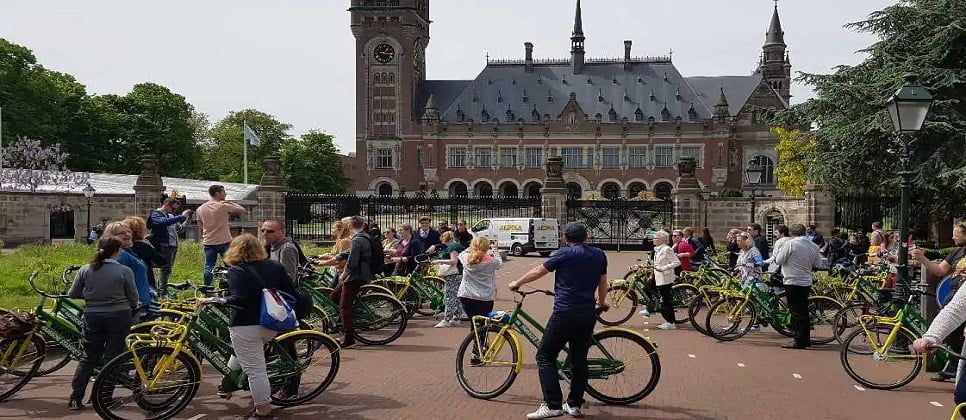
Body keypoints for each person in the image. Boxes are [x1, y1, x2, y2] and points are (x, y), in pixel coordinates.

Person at [508, 223, 608, 419]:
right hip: (587, 313)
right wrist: (602, 302)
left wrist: (517, 283)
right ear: (586, 237)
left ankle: (553, 405)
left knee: (545, 356)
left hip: (565, 312)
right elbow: (603, 281)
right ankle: (574, 404)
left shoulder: (564, 253)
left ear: (565, 239)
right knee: (579, 358)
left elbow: (539, 270)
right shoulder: (599, 254)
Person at [197, 233, 295, 419]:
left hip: (246, 324)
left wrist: (217, 300)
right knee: (243, 353)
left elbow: (239, 299)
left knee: (255, 371)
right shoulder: (275, 266)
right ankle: (228, 383)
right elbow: (290, 291)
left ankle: (263, 410)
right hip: (272, 322)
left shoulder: (237, 270)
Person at [67, 237, 139, 411]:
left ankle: (76, 398)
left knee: (88, 357)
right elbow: (133, 297)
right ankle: (104, 397)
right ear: (118, 251)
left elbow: (73, 293)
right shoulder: (124, 271)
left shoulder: (85, 269)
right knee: (112, 358)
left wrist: (91, 295)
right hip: (119, 316)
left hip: (93, 316)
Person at [914, 224, 966, 381]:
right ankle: (952, 365)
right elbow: (956, 309)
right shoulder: (957, 252)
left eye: (956, 234)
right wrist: (931, 336)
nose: (953, 237)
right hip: (953, 295)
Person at [772, 224, 824, 349]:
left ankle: (799, 340)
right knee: (803, 310)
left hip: (792, 280)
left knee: (796, 312)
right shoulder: (814, 246)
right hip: (806, 281)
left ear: (791, 233)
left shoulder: (790, 244)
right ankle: (805, 339)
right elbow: (818, 263)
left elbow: (779, 260)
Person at [326, 216, 374, 348]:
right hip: (358, 274)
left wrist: (343, 275)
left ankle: (349, 338)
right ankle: (347, 321)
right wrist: (332, 259)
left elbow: (352, 262)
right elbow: (347, 253)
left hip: (356, 276)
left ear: (350, 226)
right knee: (334, 296)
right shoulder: (362, 237)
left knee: (344, 306)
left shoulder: (358, 240)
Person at [458, 236, 504, 364]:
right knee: (481, 325)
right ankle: (476, 354)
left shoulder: (466, 258)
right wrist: (494, 249)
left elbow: (461, 253)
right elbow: (500, 263)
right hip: (484, 298)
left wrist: (473, 246)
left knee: (475, 324)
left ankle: (480, 348)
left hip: (466, 296)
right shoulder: (491, 262)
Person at [196, 184, 247, 286]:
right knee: (230, 264)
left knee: (209, 266)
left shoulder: (200, 208)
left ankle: (207, 287)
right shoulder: (223, 205)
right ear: (217, 193)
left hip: (209, 242)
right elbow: (242, 210)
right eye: (223, 192)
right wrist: (229, 202)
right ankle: (232, 286)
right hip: (224, 241)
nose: (225, 194)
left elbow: (200, 226)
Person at [102, 221, 154, 320]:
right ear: (111, 237)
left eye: (129, 231)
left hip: (141, 303)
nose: (127, 234)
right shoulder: (121, 256)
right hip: (132, 306)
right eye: (121, 233)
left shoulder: (128, 252)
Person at [147, 198, 192, 297]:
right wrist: (181, 216)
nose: (174, 211)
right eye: (173, 209)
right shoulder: (156, 214)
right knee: (165, 268)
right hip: (164, 245)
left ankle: (163, 289)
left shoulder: (171, 216)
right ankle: (162, 291)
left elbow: (180, 229)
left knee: (168, 269)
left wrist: (187, 219)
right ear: (166, 204)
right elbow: (163, 222)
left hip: (173, 245)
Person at [123, 216, 168, 292]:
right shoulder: (143, 246)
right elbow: (162, 261)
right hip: (144, 281)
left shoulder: (120, 247)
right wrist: (151, 246)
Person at [432, 231, 466, 328]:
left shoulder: (452, 247)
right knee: (457, 296)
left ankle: (447, 319)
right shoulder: (458, 246)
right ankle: (456, 317)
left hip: (453, 274)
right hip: (460, 273)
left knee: (449, 296)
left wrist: (439, 261)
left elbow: (453, 261)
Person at [650, 231, 681, 330]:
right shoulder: (658, 249)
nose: (654, 239)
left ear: (661, 239)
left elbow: (676, 262)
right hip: (659, 277)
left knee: (666, 300)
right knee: (650, 289)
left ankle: (670, 322)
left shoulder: (666, 249)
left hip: (665, 278)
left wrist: (663, 268)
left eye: (656, 238)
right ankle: (651, 309)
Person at [261, 219, 301, 285]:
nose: (264, 234)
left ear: (282, 232)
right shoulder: (271, 247)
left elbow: (289, 279)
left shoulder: (286, 249)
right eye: (262, 231)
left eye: (270, 231)